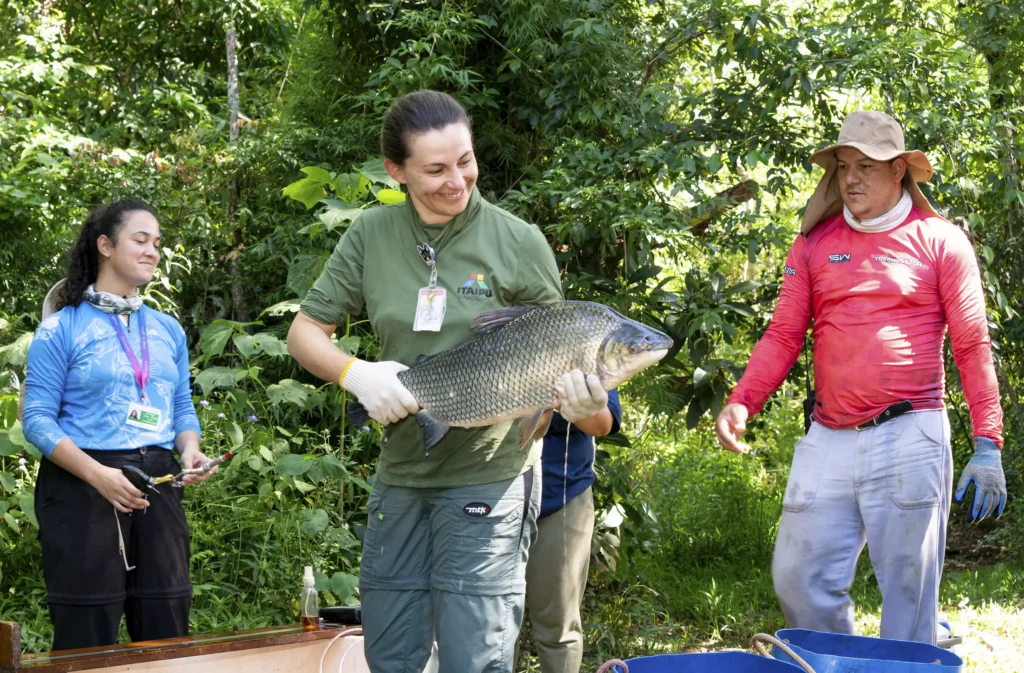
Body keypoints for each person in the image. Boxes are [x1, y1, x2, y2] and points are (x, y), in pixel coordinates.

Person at [287, 90, 610, 673]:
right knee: (392, 653)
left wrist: (586, 403)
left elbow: (567, 372)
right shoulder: (370, 234)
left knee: (475, 656)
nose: (456, 180)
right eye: (434, 169)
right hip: (402, 474)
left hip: (489, 478)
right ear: (397, 171)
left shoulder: (518, 242)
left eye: (465, 160)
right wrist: (354, 373)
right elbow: (306, 331)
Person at [714, 111, 1007, 645]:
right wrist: (742, 401)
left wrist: (988, 441)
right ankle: (834, 661)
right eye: (844, 166)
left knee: (909, 595)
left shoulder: (940, 241)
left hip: (911, 430)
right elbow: (783, 335)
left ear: (899, 170)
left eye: (866, 166)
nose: (850, 178)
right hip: (828, 436)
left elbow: (971, 345)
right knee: (797, 576)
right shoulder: (813, 244)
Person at [22, 199, 216, 651]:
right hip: (83, 485)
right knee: (86, 633)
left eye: (158, 243)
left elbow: (181, 408)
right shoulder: (61, 328)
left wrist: (189, 448)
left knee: (167, 621)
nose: (153, 251)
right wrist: (99, 476)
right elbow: (36, 420)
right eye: (141, 240)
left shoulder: (167, 329)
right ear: (105, 245)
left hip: (158, 482)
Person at [524, 383, 621, 673]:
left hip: (561, 496)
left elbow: (603, 422)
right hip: (487, 499)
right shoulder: (486, 337)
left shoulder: (580, 344)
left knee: (558, 627)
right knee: (489, 623)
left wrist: (556, 390)